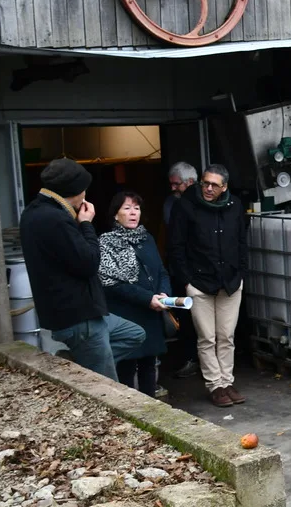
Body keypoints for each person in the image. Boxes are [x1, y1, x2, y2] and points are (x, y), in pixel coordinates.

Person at [19, 158, 145, 380]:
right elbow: (88, 263)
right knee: (107, 389)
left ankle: (76, 364)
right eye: (84, 189)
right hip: (80, 317)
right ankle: (78, 370)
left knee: (134, 334)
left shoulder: (32, 212)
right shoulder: (56, 219)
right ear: (74, 191)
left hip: (79, 312)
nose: (86, 194)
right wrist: (86, 223)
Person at [167, 164, 249, 407]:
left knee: (227, 335)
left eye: (215, 184)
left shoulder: (233, 206)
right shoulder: (186, 206)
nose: (209, 188)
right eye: (205, 183)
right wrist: (187, 281)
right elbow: (176, 246)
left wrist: (241, 272)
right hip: (200, 283)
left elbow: (242, 242)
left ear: (224, 187)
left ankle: (227, 381)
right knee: (207, 337)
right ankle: (215, 385)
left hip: (230, 281)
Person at [99, 191, 172, 397]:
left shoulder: (146, 237)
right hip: (127, 313)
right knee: (127, 367)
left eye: (137, 208)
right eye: (127, 208)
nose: (133, 213)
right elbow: (112, 284)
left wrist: (165, 293)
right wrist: (146, 298)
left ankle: (151, 407)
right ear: (115, 214)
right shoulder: (106, 242)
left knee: (150, 364)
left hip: (152, 311)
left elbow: (161, 271)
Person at [164, 161, 200, 380]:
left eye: (176, 184)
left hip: (194, 271)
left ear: (189, 182)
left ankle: (197, 361)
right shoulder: (173, 203)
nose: (173, 188)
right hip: (183, 271)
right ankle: (191, 358)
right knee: (186, 318)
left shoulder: (195, 204)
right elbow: (173, 243)